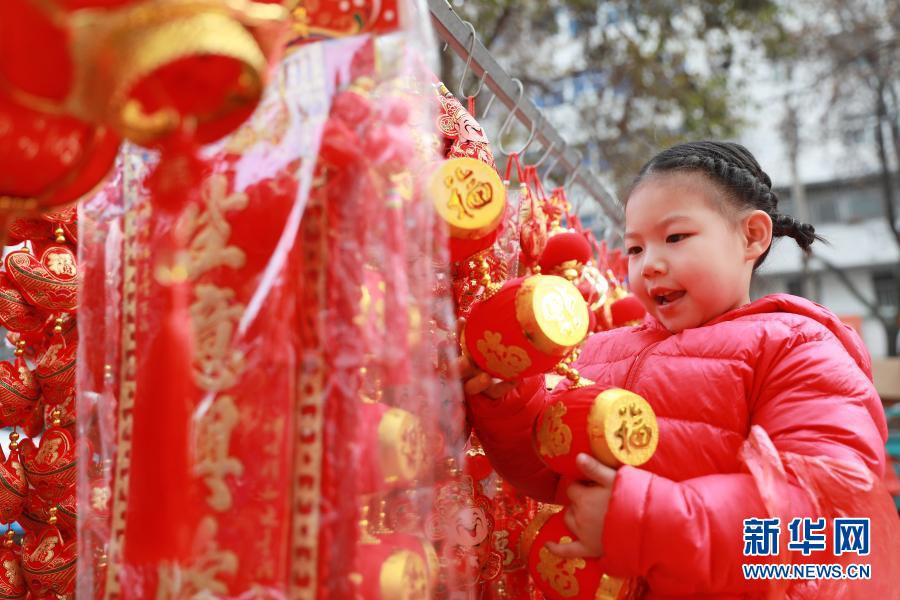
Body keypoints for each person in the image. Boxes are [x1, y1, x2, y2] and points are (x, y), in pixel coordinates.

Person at [461, 141, 890, 597]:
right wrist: (508, 399)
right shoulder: (602, 349)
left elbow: (832, 523)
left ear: (752, 236)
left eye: (675, 238)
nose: (650, 265)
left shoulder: (795, 348)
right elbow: (551, 473)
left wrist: (649, 521)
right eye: (634, 248)